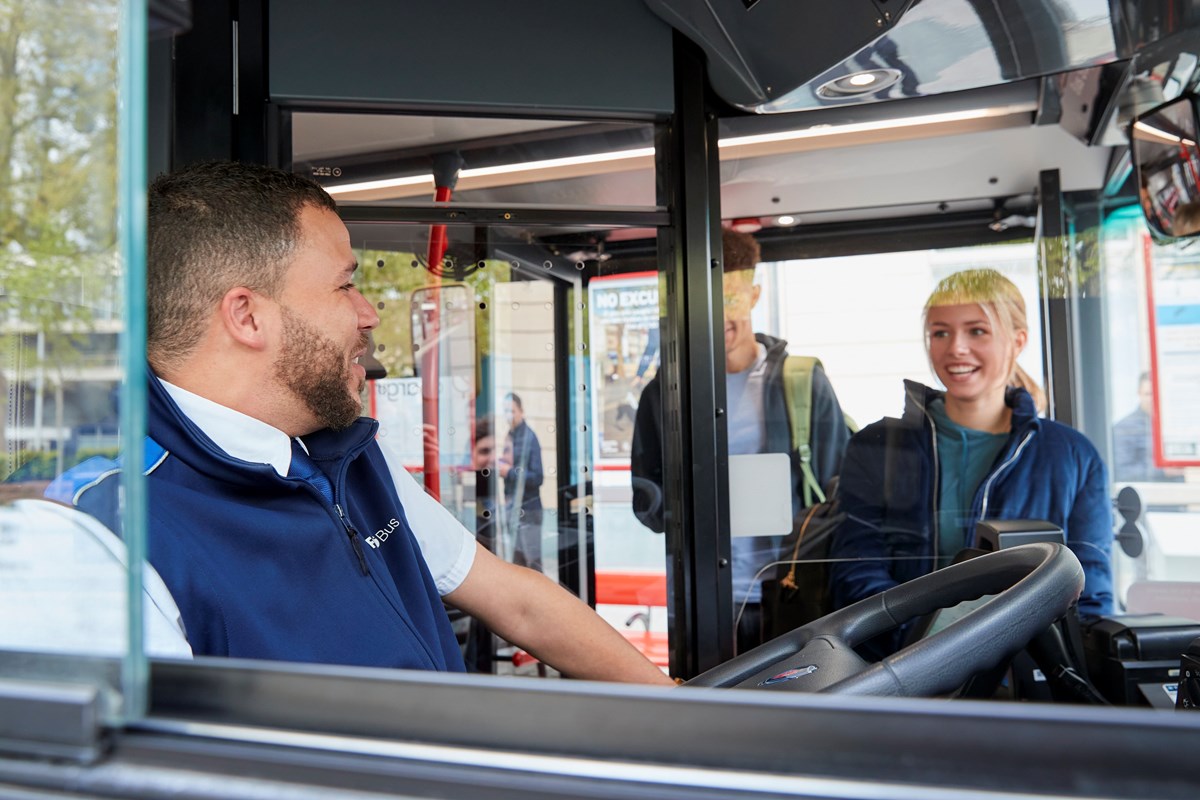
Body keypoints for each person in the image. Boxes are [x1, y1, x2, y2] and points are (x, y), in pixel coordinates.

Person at [120, 161, 671, 684]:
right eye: (344, 285)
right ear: (247, 316)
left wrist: (685, 710)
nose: (369, 313)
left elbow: (518, 604)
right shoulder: (128, 536)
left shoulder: (348, 458)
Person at [828, 269, 1113, 655]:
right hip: (899, 672)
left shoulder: (1072, 455)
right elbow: (855, 567)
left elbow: (1089, 592)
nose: (956, 348)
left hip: (1024, 680)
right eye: (940, 333)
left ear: (1018, 341)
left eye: (977, 331)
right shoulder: (877, 446)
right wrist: (920, 651)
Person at [631, 228, 851, 654]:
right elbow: (647, 499)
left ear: (753, 294)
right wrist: (688, 504)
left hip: (787, 591)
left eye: (728, 297)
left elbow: (838, 494)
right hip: (699, 597)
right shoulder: (663, 393)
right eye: (699, 299)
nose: (714, 313)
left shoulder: (802, 383)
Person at [498, 392, 544, 572]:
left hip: (529, 510)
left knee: (533, 564)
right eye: (505, 411)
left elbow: (537, 477)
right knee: (518, 565)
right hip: (513, 509)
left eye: (512, 411)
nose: (508, 415)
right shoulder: (510, 435)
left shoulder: (529, 438)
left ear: (521, 412)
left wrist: (509, 472)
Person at [1113, 372, 1186, 483]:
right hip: (1148, 497)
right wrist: (1163, 471)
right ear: (1139, 393)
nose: (1153, 398)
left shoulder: (1174, 425)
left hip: (1177, 494)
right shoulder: (1124, 428)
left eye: (1157, 393)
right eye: (1148, 394)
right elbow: (1121, 472)